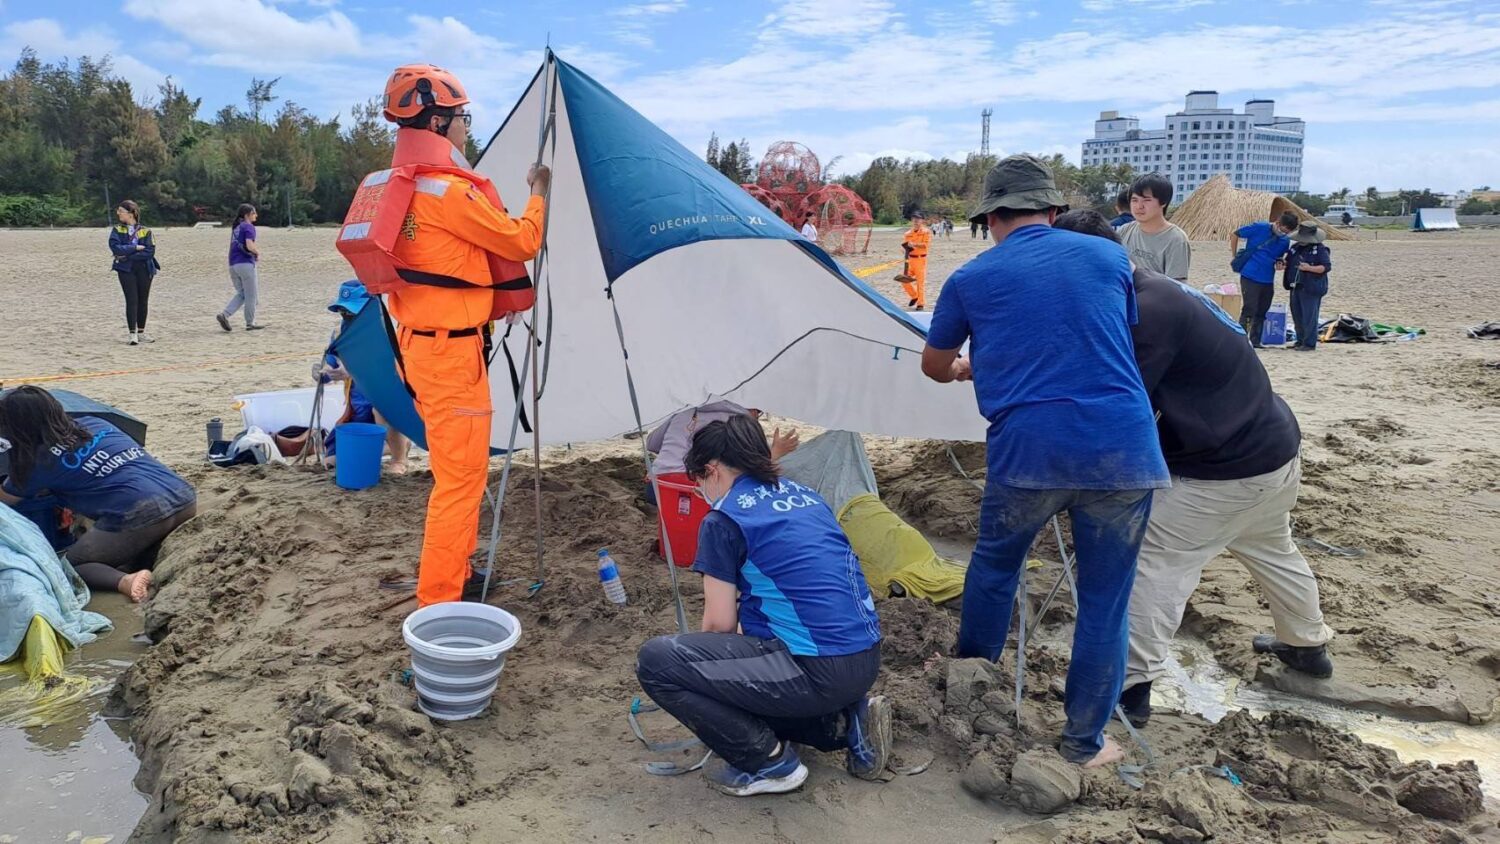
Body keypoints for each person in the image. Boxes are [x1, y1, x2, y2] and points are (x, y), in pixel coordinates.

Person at [922, 155, 1167, 768]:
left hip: (1028, 451)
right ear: (1053, 211)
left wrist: (964, 368)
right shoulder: (1110, 257)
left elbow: (934, 364)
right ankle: (1084, 743)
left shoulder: (970, 278)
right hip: (1122, 448)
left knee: (996, 567)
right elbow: (1094, 335)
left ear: (989, 218)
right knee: (1106, 599)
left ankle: (972, 698)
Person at [1051, 210, 1334, 725]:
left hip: (1222, 467)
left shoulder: (1147, 312)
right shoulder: (1154, 290)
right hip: (1273, 449)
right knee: (1272, 546)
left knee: (1157, 562)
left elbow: (1119, 403)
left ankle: (1129, 687)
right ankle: (1307, 645)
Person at [635, 415, 889, 797]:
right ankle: (843, 723)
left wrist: (707, 683)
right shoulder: (805, 496)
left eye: (698, 479)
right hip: (864, 659)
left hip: (816, 668)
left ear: (712, 470)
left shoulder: (725, 518)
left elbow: (719, 625)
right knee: (748, 657)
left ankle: (770, 763)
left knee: (658, 662)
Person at [371, 65, 547, 606]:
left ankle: (456, 571)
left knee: (456, 473)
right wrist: (540, 192)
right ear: (439, 120)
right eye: (462, 117)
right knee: (460, 482)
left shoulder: (397, 187)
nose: (467, 127)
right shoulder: (448, 193)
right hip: (450, 355)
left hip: (420, 347)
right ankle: (441, 600)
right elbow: (522, 241)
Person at [0, 386, 196, 603]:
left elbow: (6, 499)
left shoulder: (36, 463)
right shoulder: (97, 423)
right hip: (183, 496)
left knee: (73, 566)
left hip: (140, 513)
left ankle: (125, 581)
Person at [317, 281, 411, 473]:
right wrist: (324, 373)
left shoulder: (385, 328)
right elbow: (331, 362)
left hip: (384, 399)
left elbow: (391, 368)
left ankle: (399, 459)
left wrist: (351, 371)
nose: (347, 317)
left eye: (352, 312)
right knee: (332, 463)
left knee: (383, 412)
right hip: (357, 406)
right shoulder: (341, 332)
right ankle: (385, 446)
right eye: (343, 312)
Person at [1229, 211, 1298, 346]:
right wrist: (1234, 254)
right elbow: (1235, 234)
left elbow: (1280, 257)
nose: (1283, 233)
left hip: (1267, 278)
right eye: (1283, 229)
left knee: (1262, 310)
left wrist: (1280, 263)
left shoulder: (1285, 240)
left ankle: (1256, 341)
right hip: (1250, 274)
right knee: (1249, 308)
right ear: (1278, 223)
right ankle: (1241, 340)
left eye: (1287, 232)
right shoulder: (1259, 227)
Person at [1117, 174, 1190, 281]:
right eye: (1134, 200)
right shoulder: (1125, 230)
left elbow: (1176, 287)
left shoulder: (1176, 239)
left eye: (1147, 200)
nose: (1139, 206)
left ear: (1163, 202)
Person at [108, 200, 160, 346]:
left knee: (143, 300)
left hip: (144, 268)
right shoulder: (117, 230)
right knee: (131, 300)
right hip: (125, 269)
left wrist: (127, 255)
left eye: (121, 211)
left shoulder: (146, 230)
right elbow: (115, 248)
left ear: (131, 213)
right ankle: (132, 333)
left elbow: (149, 252)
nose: (118, 213)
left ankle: (142, 332)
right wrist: (136, 247)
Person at [1284, 222, 1332, 352]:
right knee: (1297, 315)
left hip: (1311, 287)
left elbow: (1325, 267)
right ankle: (1300, 340)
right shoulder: (1295, 248)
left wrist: (1309, 268)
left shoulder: (1320, 250)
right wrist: (1282, 264)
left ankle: (1309, 343)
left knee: (1309, 316)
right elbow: (1287, 261)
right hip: (1295, 286)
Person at [217, 203, 265, 332]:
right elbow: (249, 245)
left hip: (233, 265)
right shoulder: (249, 227)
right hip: (245, 264)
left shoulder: (237, 228)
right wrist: (257, 252)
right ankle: (250, 323)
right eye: (254, 213)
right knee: (251, 295)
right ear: (247, 215)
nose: (256, 215)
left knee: (242, 294)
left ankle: (224, 314)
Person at [898, 212, 932, 310]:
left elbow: (926, 245)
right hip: (910, 260)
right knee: (904, 280)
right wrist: (904, 250)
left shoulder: (926, 232)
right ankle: (914, 296)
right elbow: (905, 245)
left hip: (920, 259)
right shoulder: (907, 234)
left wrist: (914, 244)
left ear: (922, 220)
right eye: (914, 218)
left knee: (920, 283)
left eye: (918, 218)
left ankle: (920, 304)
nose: (916, 221)